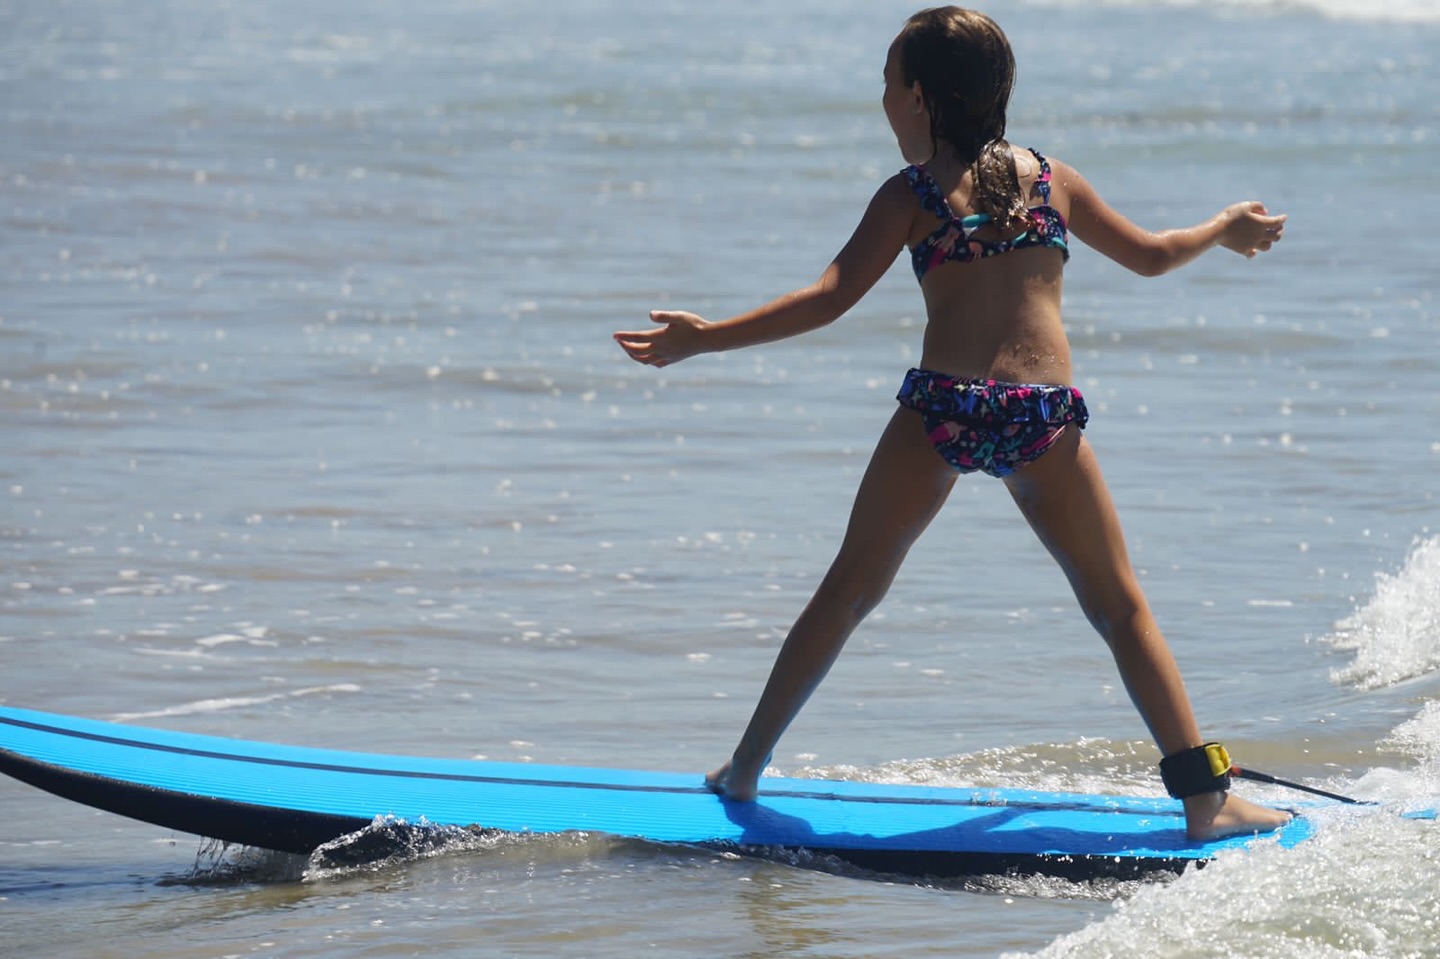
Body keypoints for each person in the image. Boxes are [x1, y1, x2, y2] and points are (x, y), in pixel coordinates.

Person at [613, 6, 1291, 840]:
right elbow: (1152, 255)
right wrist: (1221, 229)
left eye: (887, 83)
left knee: (848, 590)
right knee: (1119, 608)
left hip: (945, 407)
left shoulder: (911, 195)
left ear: (921, 98)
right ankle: (1204, 799)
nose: (882, 100)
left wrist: (705, 337)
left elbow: (828, 299)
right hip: (1041, 417)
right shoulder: (1053, 179)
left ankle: (746, 767)